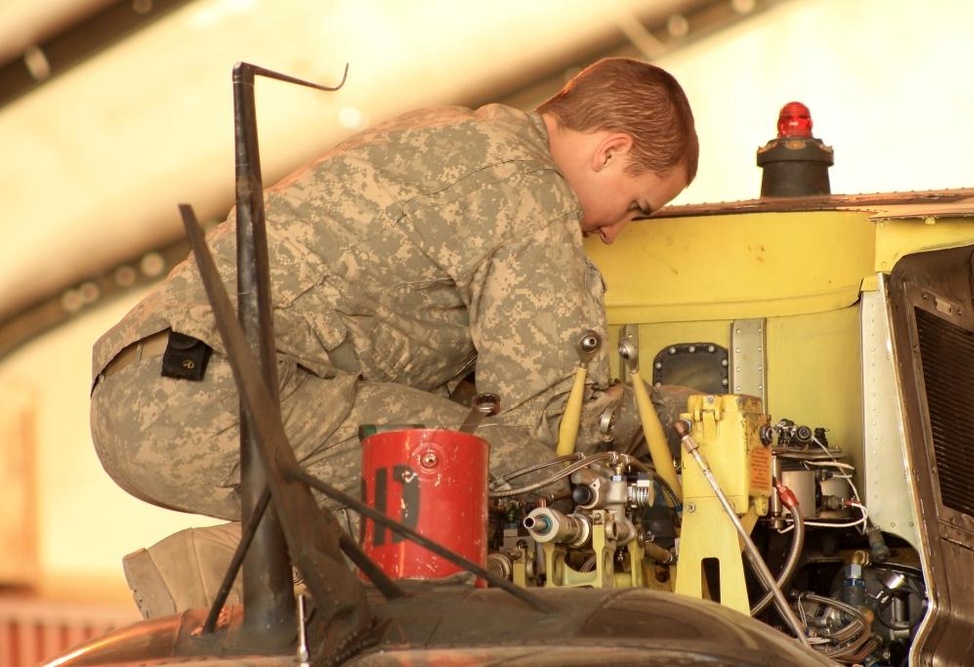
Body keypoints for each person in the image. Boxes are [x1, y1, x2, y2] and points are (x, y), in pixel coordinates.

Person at [89, 57, 699, 616]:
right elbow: (548, 414)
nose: (617, 231)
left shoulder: (450, 133)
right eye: (637, 206)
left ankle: (219, 571)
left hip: (152, 382)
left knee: (449, 448)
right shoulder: (529, 190)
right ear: (611, 151)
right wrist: (693, 418)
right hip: (210, 396)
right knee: (507, 470)